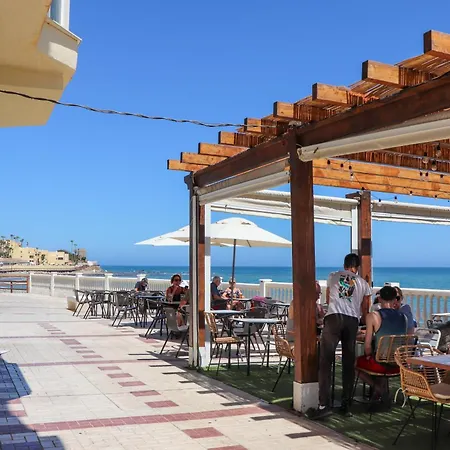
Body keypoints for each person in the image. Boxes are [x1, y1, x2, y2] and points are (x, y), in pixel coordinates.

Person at [309, 253, 372, 420]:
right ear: (357, 267)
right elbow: (365, 308)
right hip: (352, 321)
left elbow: (329, 298)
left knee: (325, 361)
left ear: (344, 265)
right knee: (348, 363)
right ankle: (346, 405)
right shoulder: (363, 283)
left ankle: (324, 405)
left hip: (334, 318)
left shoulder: (333, 276)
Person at [355, 285, 408, 411]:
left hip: (381, 362)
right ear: (395, 300)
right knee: (378, 359)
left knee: (355, 363)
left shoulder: (373, 316)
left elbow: (367, 346)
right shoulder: (404, 317)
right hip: (398, 363)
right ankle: (379, 394)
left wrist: (368, 356)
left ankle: (379, 390)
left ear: (379, 299)